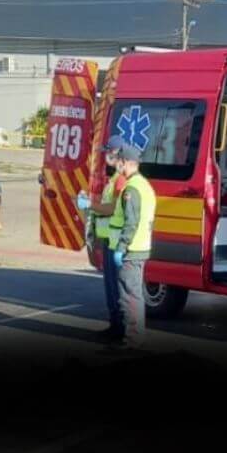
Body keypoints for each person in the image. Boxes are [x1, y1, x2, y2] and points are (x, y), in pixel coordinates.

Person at [77, 136, 127, 341]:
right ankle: (115, 327)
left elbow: (113, 208)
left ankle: (120, 331)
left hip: (116, 241)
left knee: (116, 288)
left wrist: (90, 205)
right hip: (109, 239)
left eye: (109, 152)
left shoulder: (121, 180)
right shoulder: (114, 178)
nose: (106, 155)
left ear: (118, 153)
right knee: (110, 287)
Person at [112, 144, 156, 349]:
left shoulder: (131, 189)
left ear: (125, 162)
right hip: (141, 247)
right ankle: (136, 338)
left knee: (129, 296)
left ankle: (133, 340)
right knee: (135, 294)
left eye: (118, 161)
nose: (116, 165)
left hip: (132, 249)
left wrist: (121, 247)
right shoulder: (145, 185)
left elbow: (131, 221)